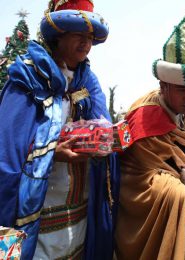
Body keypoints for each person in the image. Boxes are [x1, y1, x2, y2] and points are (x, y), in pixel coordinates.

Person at [0, 1, 119, 259]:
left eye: (90, 37)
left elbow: (105, 131)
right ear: (59, 35)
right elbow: (7, 154)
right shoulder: (27, 77)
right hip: (36, 213)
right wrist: (52, 153)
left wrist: (105, 141)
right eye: (78, 34)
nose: (86, 43)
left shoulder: (88, 81)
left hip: (80, 211)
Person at [115, 11, 185, 260]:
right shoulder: (144, 116)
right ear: (163, 85)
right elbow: (141, 180)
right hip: (149, 216)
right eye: (180, 90)